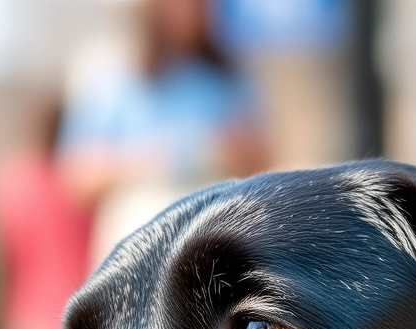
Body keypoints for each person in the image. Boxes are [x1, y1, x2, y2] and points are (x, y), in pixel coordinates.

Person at [60, 0, 267, 261]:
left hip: (211, 243)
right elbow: (78, 178)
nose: (188, 12)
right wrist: (154, 159)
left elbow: (263, 162)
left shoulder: (228, 77)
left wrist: (229, 150)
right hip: (135, 244)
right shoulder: (110, 74)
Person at [0, 96, 94, 329]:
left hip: (27, 315)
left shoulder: (12, 181)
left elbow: (0, 260)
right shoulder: (84, 181)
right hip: (82, 309)